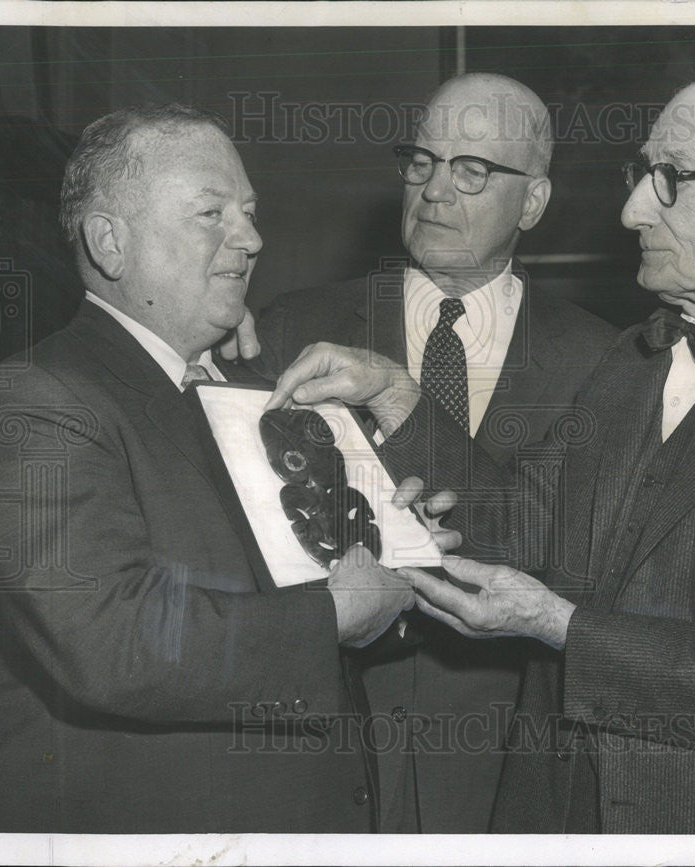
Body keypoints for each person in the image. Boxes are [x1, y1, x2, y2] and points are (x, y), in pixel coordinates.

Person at [269, 71, 695, 833]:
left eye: (669, 181)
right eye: (639, 177)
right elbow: (517, 528)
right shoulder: (633, 360)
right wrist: (395, 392)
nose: (631, 211)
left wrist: (562, 626)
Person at [0, 104, 423, 833]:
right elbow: (110, 641)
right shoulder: (33, 399)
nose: (253, 239)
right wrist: (335, 611)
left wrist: (400, 548)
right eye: (212, 213)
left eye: (250, 211)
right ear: (109, 242)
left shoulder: (259, 385)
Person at [257, 73, 617, 832]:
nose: (435, 191)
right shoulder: (294, 326)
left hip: (507, 758)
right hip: (329, 742)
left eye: (472, 170)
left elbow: (570, 559)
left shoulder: (606, 363)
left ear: (535, 201)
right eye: (422, 163)